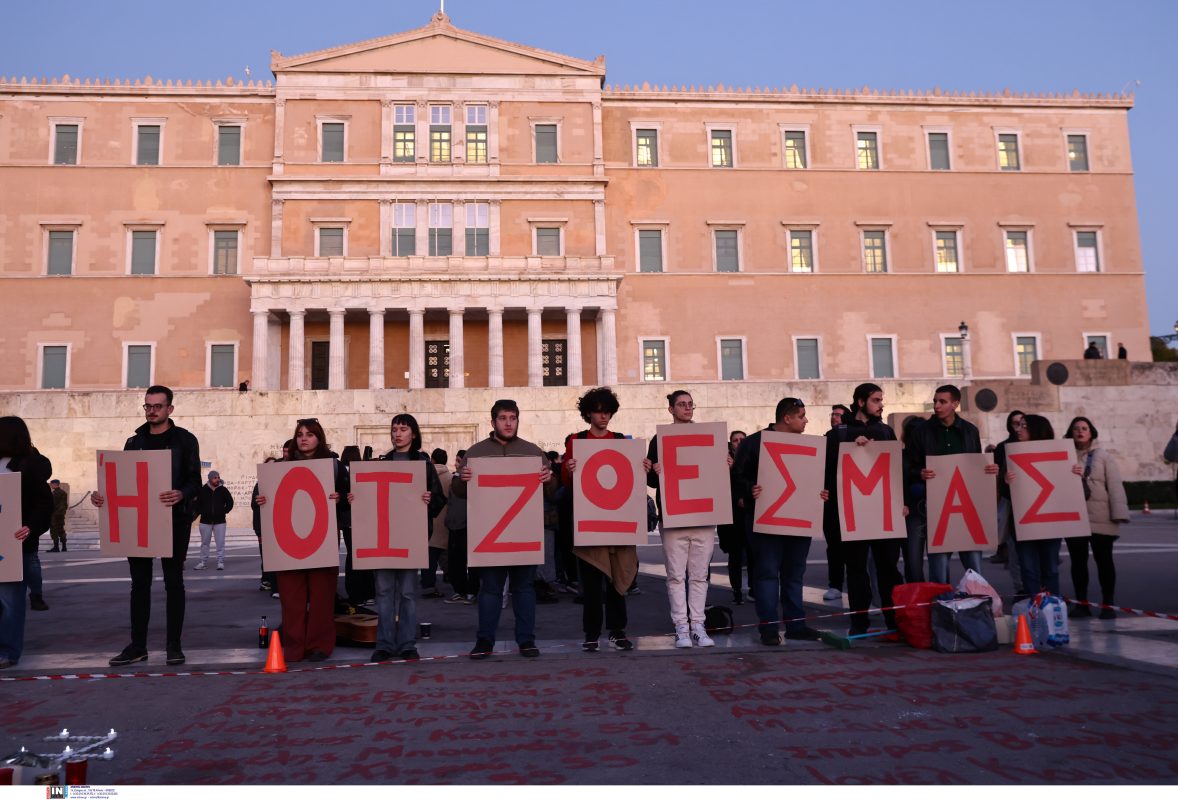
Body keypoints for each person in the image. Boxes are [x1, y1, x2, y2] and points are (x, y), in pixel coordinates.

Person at [91, 386, 201, 667]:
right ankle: (137, 646)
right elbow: (125, 480)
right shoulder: (134, 442)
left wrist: (181, 493)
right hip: (138, 522)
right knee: (139, 584)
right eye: (147, 406)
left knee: (174, 582)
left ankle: (173, 645)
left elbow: (194, 480)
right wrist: (104, 495)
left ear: (170, 409)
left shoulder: (185, 440)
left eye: (157, 406)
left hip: (174, 520)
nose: (152, 411)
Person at [452, 399, 554, 659]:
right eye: (503, 418)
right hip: (490, 534)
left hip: (523, 532)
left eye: (513, 418)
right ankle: (485, 641)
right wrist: (461, 479)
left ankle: (527, 641)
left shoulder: (533, 452)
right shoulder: (475, 452)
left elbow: (552, 492)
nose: (508, 423)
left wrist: (549, 479)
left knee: (524, 589)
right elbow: (459, 491)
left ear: (518, 420)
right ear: (493, 422)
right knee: (490, 590)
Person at [734, 398, 828, 645]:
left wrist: (821, 493)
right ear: (787, 418)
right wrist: (749, 489)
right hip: (765, 521)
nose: (806, 420)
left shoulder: (810, 446)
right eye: (802, 416)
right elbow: (736, 476)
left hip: (798, 519)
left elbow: (815, 480)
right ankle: (768, 628)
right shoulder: (754, 443)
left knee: (794, 574)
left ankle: (796, 625)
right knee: (767, 574)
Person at [255, 419, 349, 663]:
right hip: (289, 539)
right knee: (291, 597)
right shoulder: (281, 468)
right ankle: (294, 646)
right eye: (299, 434)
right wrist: (263, 501)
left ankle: (319, 645)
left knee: (321, 596)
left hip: (322, 538)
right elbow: (264, 496)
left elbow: (351, 499)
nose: (304, 438)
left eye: (309, 434)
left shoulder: (335, 467)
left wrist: (341, 498)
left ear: (319, 437)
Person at [561, 387, 643, 652]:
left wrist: (642, 467)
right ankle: (592, 633)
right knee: (593, 584)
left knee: (618, 581)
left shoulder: (621, 440)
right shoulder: (576, 440)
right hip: (590, 522)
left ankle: (618, 631)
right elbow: (567, 482)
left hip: (616, 520)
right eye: (598, 411)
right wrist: (570, 470)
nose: (603, 415)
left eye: (607, 410)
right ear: (588, 413)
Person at [361, 415, 445, 662]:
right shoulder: (381, 462)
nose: (397, 434)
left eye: (403, 429)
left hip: (410, 536)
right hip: (384, 536)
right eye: (394, 429)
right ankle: (384, 644)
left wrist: (429, 501)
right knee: (384, 593)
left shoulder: (423, 464)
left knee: (407, 593)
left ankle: (407, 643)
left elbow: (439, 500)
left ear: (413, 434)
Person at [826, 383, 906, 636]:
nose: (881, 404)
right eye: (876, 400)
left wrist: (901, 502)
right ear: (861, 402)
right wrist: (852, 446)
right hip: (852, 513)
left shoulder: (885, 431)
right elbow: (827, 472)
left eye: (881, 399)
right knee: (857, 570)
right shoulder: (838, 433)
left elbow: (895, 470)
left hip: (884, 511)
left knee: (889, 570)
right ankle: (859, 623)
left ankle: (893, 620)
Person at [647, 390, 723, 649]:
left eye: (690, 404)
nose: (687, 408)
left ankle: (698, 626)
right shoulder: (659, 439)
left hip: (702, 515)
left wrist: (726, 463)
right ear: (671, 409)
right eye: (682, 404)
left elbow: (717, 473)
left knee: (700, 576)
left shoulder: (708, 436)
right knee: (676, 576)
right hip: (674, 515)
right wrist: (653, 470)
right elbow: (652, 481)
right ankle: (681, 626)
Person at [904, 385, 998, 585]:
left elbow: (974, 466)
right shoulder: (920, 432)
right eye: (935, 401)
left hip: (966, 508)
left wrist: (988, 471)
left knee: (974, 567)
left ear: (955, 404)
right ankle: (943, 612)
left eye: (942, 402)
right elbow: (908, 468)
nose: (936, 406)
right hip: (937, 508)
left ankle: (977, 609)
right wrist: (919, 473)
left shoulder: (970, 431)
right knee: (939, 569)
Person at [0, 417, 54, 668]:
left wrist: (30, 527)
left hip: (14, 545)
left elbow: (44, 503)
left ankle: (8, 651)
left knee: (10, 600)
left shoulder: (27, 466)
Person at [1064, 417, 1130, 619]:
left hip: (1101, 519)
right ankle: (1082, 603)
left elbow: (1115, 486)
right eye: (1076, 428)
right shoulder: (1065, 455)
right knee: (1078, 563)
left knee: (1105, 562)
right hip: (1075, 518)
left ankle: (1108, 604)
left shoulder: (1103, 456)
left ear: (1091, 432)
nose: (1080, 431)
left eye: (1084, 428)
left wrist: (1119, 515)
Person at [1007, 414, 1076, 597]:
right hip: (1024, 522)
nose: (1018, 429)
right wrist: (1006, 482)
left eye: (1024, 426)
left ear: (1036, 430)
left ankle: (1052, 608)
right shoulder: (1012, 453)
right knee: (1028, 570)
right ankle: (1034, 609)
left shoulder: (1057, 455)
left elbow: (1076, 492)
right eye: (1018, 425)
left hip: (1049, 523)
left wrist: (1077, 475)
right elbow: (1006, 495)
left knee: (1050, 569)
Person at [991, 410, 1027, 597]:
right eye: (1015, 423)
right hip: (1012, 504)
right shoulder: (1003, 447)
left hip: (1034, 506)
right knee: (1014, 551)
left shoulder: (1036, 445)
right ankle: (1020, 588)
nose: (1019, 427)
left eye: (1023, 422)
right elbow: (997, 478)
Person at [821, 405, 852, 601]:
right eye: (832, 414)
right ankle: (835, 584)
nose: (834, 417)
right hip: (831, 501)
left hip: (851, 499)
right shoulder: (826, 440)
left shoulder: (854, 440)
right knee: (834, 545)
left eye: (839, 415)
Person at [719, 429, 750, 605]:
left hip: (749, 512)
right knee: (735, 555)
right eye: (735, 440)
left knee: (753, 553)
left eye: (741, 439)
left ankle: (753, 589)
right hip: (732, 517)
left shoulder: (753, 458)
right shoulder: (724, 462)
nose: (738, 442)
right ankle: (736, 590)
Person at [338, 445, 371, 607]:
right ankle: (367, 592)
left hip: (348, 521)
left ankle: (355, 594)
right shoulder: (360, 471)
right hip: (362, 519)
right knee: (365, 556)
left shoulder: (341, 471)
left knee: (352, 556)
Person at [443, 449, 477, 605]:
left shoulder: (470, 480)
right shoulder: (455, 480)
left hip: (466, 525)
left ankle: (468, 591)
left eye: (459, 461)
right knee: (456, 561)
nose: (456, 464)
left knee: (467, 561)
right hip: (455, 525)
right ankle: (461, 590)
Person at [421, 448, 451, 599]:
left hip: (427, 518)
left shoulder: (425, 476)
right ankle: (450, 579)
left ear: (432, 460)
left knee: (429, 557)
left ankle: (428, 585)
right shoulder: (450, 478)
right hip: (443, 520)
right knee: (442, 553)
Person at [193, 470, 233, 571]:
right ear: (210, 479)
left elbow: (230, 502)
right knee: (205, 543)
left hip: (220, 521)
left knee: (220, 543)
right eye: (215, 478)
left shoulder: (223, 490)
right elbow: (197, 504)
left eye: (218, 477)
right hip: (205, 521)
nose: (217, 479)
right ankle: (203, 563)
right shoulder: (203, 490)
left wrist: (224, 511)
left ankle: (220, 562)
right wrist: (202, 511)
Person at [251, 457, 279, 595]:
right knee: (267, 555)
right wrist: (259, 502)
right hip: (263, 526)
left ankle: (273, 582)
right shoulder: (260, 484)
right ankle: (267, 580)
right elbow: (254, 505)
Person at [49, 480, 68, 552]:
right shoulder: (64, 493)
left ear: (55, 484)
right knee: (61, 530)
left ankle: (56, 547)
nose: (51, 485)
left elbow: (52, 504)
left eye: (52, 484)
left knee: (54, 530)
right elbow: (65, 504)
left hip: (54, 514)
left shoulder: (54, 494)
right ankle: (64, 547)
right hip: (61, 514)